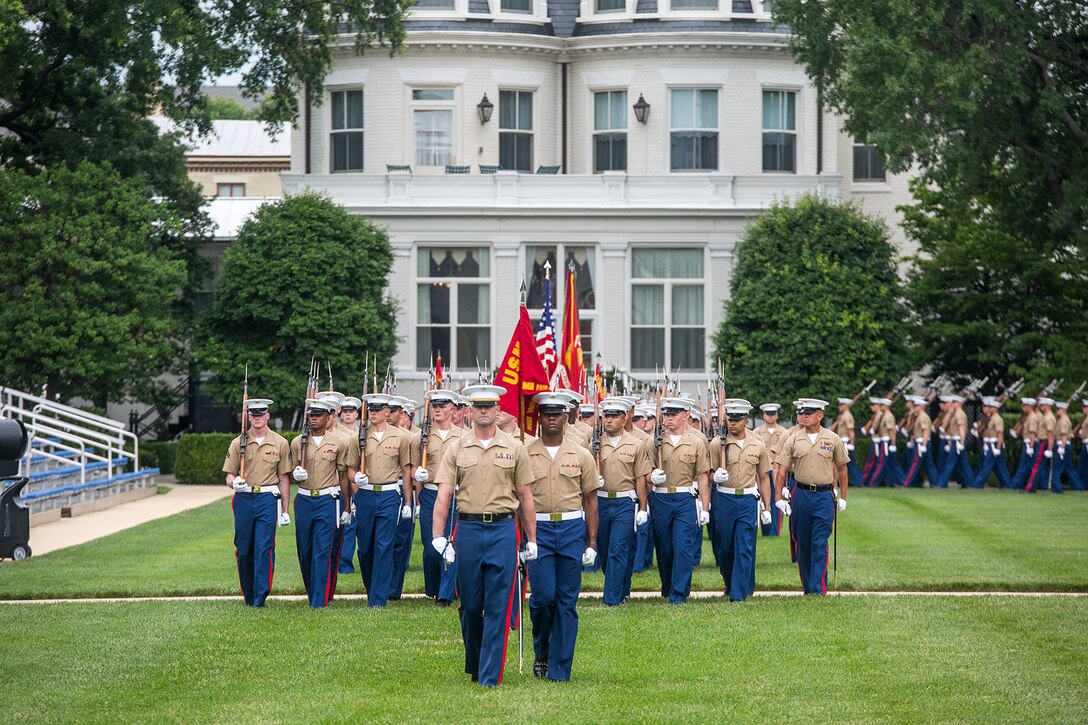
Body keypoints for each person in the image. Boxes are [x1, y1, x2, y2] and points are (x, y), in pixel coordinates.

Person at [431, 384, 538, 688]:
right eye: (477, 406)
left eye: (488, 406)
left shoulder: (514, 447)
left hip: (503, 530)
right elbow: (444, 494)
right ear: (469, 411)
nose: (482, 411)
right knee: (470, 605)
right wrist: (439, 536)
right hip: (468, 529)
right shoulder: (457, 447)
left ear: (498, 410)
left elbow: (526, 495)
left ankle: (490, 676)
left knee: (497, 605)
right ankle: (477, 663)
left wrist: (531, 539)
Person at [524, 391, 599, 681]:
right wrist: (523, 539)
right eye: (547, 413)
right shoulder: (526, 452)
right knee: (543, 598)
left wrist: (591, 542)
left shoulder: (580, 455)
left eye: (557, 413)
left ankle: (559, 668)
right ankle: (541, 651)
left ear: (567, 418)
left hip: (570, 529)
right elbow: (519, 497)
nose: (552, 418)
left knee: (566, 601)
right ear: (539, 418)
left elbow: (591, 499)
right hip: (538, 529)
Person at [772, 398, 848, 596]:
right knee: (803, 542)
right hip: (801, 494)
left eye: (809, 413)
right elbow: (781, 469)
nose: (804, 416)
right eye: (802, 413)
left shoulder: (832, 438)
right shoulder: (794, 439)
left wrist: (843, 497)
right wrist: (779, 497)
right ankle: (808, 587)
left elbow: (842, 468)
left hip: (824, 496)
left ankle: (818, 589)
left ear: (820, 416)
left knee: (820, 542)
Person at [222, 398, 291, 607]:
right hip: (244, 498)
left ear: (268, 415)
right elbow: (228, 476)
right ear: (248, 417)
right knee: (243, 549)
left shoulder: (280, 443)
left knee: (264, 547)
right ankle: (249, 594)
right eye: (253, 414)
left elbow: (284, 478)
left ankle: (261, 596)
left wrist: (285, 510)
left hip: (267, 499)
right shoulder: (238, 442)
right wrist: (236, 484)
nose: (257, 418)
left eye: (261, 414)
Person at [289, 398, 352, 608]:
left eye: (318, 415)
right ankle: (312, 592)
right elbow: (288, 474)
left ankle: (319, 600)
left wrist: (346, 506)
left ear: (328, 418)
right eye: (311, 415)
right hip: (305, 499)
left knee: (322, 550)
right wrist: (294, 474)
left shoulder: (338, 442)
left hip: (327, 500)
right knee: (305, 550)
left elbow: (343, 475)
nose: (313, 418)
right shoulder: (298, 442)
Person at [707, 400, 771, 601]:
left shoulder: (757, 444)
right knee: (725, 547)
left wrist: (767, 508)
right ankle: (730, 582)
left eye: (736, 419)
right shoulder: (718, 443)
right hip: (724, 498)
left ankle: (738, 592)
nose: (732, 423)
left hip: (747, 500)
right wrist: (714, 477)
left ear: (746, 420)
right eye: (729, 419)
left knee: (744, 545)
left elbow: (763, 477)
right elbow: (708, 472)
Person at [648, 397, 710, 604]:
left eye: (673, 414)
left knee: (683, 547)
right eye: (666, 414)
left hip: (684, 498)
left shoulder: (696, 442)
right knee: (665, 549)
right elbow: (643, 474)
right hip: (661, 498)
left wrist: (705, 507)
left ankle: (679, 594)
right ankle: (668, 586)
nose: (668, 419)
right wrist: (650, 478)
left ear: (685, 416)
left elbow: (702, 476)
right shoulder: (654, 442)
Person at [353, 392, 412, 607]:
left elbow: (406, 470)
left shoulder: (400, 437)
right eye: (371, 410)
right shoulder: (359, 437)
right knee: (365, 548)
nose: (373, 414)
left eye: (377, 410)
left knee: (384, 546)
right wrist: (355, 479)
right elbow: (350, 470)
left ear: (387, 412)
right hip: (366, 494)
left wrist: (407, 502)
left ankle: (378, 599)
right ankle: (372, 589)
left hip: (389, 494)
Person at [594, 397, 651, 606]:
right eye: (606, 416)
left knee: (618, 548)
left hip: (624, 503)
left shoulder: (636, 444)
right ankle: (621, 586)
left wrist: (643, 507)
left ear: (625, 417)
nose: (609, 420)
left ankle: (611, 599)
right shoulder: (595, 444)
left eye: (614, 416)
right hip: (600, 502)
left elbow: (640, 478)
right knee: (604, 551)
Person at [414, 388, 464, 605]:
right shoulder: (421, 436)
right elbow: (413, 467)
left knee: (452, 543)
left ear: (453, 410)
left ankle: (446, 593)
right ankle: (434, 587)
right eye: (435, 407)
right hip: (430, 495)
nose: (438, 410)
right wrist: (418, 481)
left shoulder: (463, 436)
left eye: (442, 407)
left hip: (455, 496)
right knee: (431, 544)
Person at [388, 396, 419, 599]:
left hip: (401, 486)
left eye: (393, 410)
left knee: (399, 541)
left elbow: (410, 469)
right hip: (378, 488)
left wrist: (411, 501)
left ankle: (392, 589)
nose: (388, 414)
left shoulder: (408, 438)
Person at [337, 396, 364, 574]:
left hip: (358, 482)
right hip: (341, 483)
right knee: (344, 525)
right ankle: (344, 563)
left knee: (357, 524)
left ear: (356, 414)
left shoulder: (361, 433)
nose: (348, 415)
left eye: (351, 412)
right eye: (345, 412)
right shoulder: (336, 433)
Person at [754, 403, 785, 536]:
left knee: (777, 498)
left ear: (777, 415)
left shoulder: (783, 432)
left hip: (777, 469)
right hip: (762, 470)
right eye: (768, 414)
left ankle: (774, 530)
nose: (771, 416)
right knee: (762, 497)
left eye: (773, 414)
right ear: (763, 416)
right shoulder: (756, 432)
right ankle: (765, 529)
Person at [972, 396, 1012, 488]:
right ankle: (1007, 484)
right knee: (999, 467)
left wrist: (998, 447)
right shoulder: (991, 418)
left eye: (991, 407)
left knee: (987, 465)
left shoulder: (997, 419)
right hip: (990, 444)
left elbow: (1000, 435)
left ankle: (977, 484)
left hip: (994, 444)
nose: (989, 409)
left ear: (996, 408)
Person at [900, 395, 932, 487]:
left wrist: (923, 445)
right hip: (919, 442)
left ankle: (906, 482)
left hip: (921, 443)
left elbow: (925, 431)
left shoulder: (922, 417)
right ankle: (936, 482)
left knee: (914, 464)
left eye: (917, 406)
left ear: (922, 407)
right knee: (928, 465)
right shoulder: (919, 416)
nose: (915, 407)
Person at [1033, 397, 1058, 493]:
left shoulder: (1048, 417)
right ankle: (1051, 487)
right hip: (1044, 442)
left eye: (1042, 405)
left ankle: (1031, 488)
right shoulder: (1046, 416)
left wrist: (1050, 449)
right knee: (1043, 467)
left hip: (1045, 443)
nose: (1040, 406)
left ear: (1048, 406)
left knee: (1037, 465)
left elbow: (1050, 434)